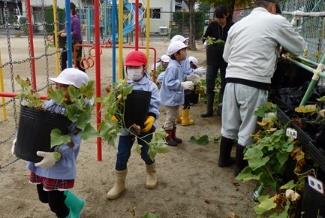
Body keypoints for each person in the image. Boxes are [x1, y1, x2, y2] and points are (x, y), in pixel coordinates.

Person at [218, 0, 305, 175]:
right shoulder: (276, 21)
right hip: (254, 82)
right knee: (248, 126)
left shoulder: (238, 25)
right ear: (272, 6)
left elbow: (226, 56)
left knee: (230, 122)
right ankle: (240, 168)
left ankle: (224, 159)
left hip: (231, 79)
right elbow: (300, 47)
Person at [12, 68, 89, 218]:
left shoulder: (79, 114)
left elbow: (74, 141)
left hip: (58, 164)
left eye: (65, 87)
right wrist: (20, 139)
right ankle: (77, 204)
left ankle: (71, 215)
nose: (60, 89)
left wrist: (56, 154)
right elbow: (36, 124)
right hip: (40, 160)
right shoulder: (50, 104)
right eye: (58, 85)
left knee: (56, 205)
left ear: (79, 92)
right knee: (43, 197)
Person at [106, 50, 160, 200]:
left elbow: (155, 105)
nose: (133, 70)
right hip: (125, 127)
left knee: (146, 152)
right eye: (129, 67)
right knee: (122, 154)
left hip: (145, 127)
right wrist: (114, 114)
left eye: (136, 67)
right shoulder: (121, 86)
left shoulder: (151, 87)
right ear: (125, 68)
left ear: (144, 67)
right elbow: (115, 104)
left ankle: (151, 172)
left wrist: (151, 118)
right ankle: (119, 183)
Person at [160, 41, 194, 146]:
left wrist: (188, 78)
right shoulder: (173, 67)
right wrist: (182, 84)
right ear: (176, 54)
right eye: (183, 51)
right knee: (170, 117)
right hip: (170, 98)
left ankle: (172, 136)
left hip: (174, 97)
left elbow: (179, 78)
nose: (185, 52)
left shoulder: (177, 65)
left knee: (174, 117)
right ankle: (167, 137)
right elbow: (169, 83)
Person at [201, 6, 233, 117]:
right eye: (217, 18)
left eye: (221, 18)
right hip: (212, 59)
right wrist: (208, 41)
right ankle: (209, 110)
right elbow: (204, 38)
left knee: (224, 85)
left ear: (227, 15)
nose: (219, 20)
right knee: (210, 83)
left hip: (226, 61)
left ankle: (221, 110)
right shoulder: (212, 25)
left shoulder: (232, 27)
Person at [170, 35, 205, 125]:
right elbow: (185, 72)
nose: (186, 45)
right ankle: (184, 119)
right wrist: (193, 73)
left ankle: (180, 118)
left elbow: (187, 71)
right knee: (184, 100)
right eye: (184, 43)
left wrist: (194, 71)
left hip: (182, 84)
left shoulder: (179, 58)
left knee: (180, 102)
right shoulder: (176, 62)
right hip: (182, 84)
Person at [59, 2, 83, 71]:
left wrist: (66, 34)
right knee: (63, 57)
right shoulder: (69, 19)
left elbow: (76, 32)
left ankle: (83, 74)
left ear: (71, 9)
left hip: (76, 42)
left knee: (77, 61)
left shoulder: (75, 19)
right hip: (69, 42)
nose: (65, 10)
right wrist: (61, 32)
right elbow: (67, 29)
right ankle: (64, 74)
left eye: (66, 9)